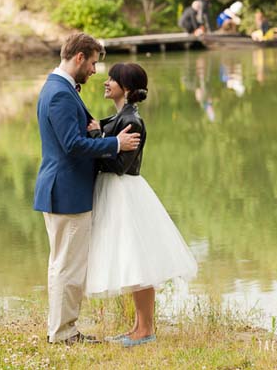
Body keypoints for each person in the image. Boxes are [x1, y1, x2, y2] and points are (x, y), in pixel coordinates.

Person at [33, 33, 141, 345]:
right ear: (79, 57)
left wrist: (96, 130)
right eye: (93, 63)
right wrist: (115, 143)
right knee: (68, 266)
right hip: (67, 191)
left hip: (62, 189)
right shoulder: (60, 94)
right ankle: (64, 333)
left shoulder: (60, 88)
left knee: (62, 264)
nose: (95, 70)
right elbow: (71, 145)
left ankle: (61, 329)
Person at [85, 63, 198, 347]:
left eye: (113, 79)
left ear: (127, 88)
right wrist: (101, 132)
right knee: (132, 260)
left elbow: (119, 165)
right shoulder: (119, 117)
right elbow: (108, 138)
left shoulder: (132, 121)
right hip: (114, 192)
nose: (106, 82)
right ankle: (137, 326)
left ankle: (145, 329)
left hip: (124, 192)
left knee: (139, 261)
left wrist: (99, 139)